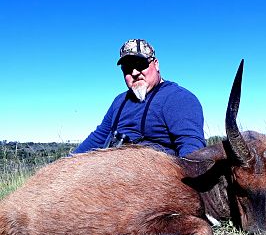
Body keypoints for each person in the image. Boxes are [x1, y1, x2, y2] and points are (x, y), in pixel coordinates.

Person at [73, 39, 206, 157]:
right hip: (108, 173)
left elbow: (192, 150)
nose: (135, 73)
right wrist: (67, 163)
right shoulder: (119, 101)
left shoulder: (178, 98)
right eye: (127, 69)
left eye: (141, 64)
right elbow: (98, 137)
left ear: (156, 64)